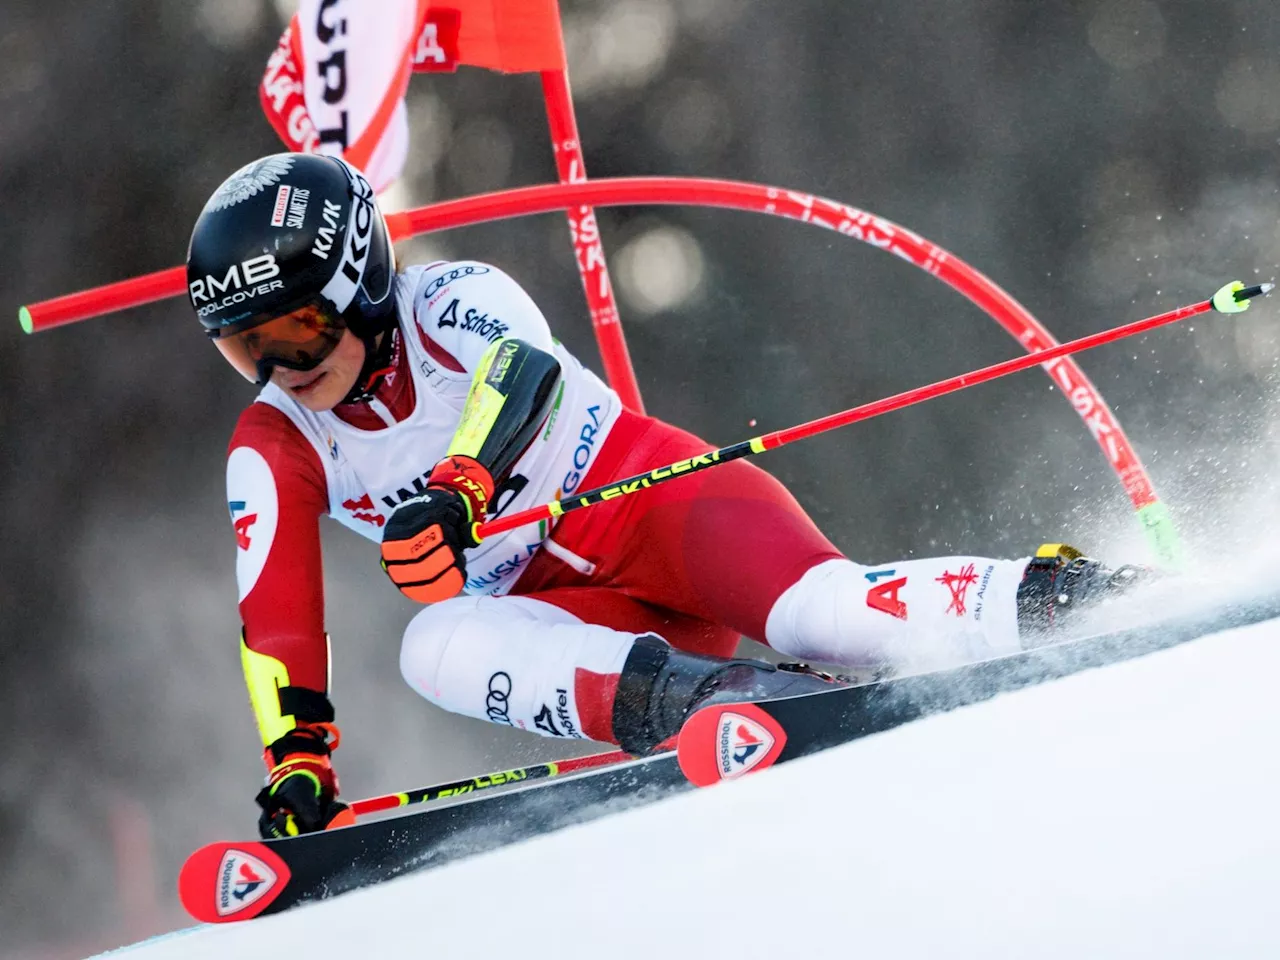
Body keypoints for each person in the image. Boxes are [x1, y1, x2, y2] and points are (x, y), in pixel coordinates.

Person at [188, 152, 1143, 839]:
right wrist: (297, 759)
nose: (281, 368)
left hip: (656, 507)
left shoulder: (452, 298)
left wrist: (459, 494)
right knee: (429, 642)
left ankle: (1067, 598)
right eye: (247, 348)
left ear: (362, 284)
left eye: (300, 332)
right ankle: (714, 702)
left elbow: (521, 380)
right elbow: (273, 609)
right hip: (593, 630)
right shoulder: (275, 440)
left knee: (827, 613)